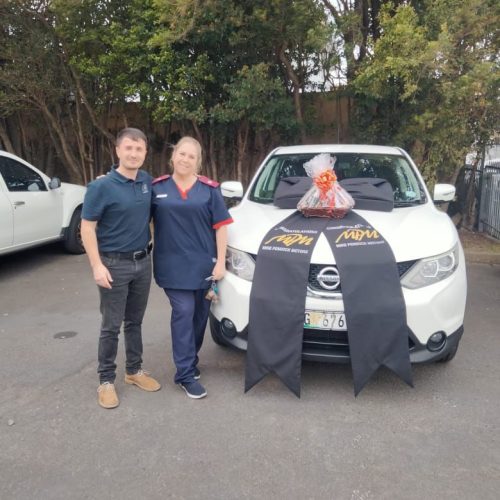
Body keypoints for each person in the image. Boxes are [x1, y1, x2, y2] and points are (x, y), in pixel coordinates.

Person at [81, 127, 161, 409]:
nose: (133, 153)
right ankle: (106, 381)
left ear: (145, 152)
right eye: (128, 147)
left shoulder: (147, 181)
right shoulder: (101, 187)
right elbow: (87, 228)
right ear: (117, 150)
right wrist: (97, 266)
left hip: (143, 262)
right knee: (111, 326)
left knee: (135, 322)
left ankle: (134, 371)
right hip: (113, 264)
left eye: (139, 149)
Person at [151, 136, 233, 399]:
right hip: (172, 267)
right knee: (184, 312)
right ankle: (184, 374)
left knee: (199, 318)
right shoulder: (156, 188)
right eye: (181, 153)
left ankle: (191, 359)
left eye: (191, 156)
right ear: (173, 156)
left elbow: (221, 227)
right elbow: (135, 211)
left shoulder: (209, 190)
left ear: (198, 162)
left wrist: (221, 262)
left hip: (204, 267)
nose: (185, 159)